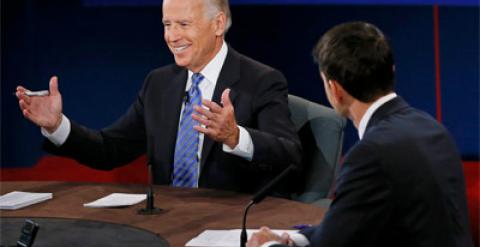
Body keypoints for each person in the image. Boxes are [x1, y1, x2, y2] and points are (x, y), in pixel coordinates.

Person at [15, 0, 301, 194]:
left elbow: (290, 155)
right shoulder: (159, 83)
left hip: (231, 223)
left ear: (218, 24)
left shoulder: (261, 80)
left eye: (183, 24)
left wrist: (235, 137)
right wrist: (56, 125)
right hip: (169, 222)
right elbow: (110, 149)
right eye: (167, 24)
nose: (172, 36)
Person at [247, 21, 473, 247]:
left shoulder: (371, 155)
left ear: (335, 91)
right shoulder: (432, 128)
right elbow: (348, 225)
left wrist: (267, 246)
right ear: (391, 70)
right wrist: (297, 239)